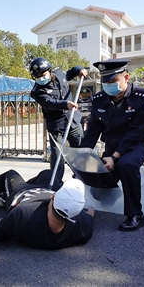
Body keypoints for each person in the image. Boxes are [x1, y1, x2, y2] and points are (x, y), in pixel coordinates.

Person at [80, 58, 144, 232]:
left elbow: (136, 132)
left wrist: (115, 157)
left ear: (126, 77)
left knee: (126, 165)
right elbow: (93, 130)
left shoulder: (143, 97)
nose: (108, 85)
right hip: (112, 147)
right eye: (104, 82)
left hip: (137, 144)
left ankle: (136, 215)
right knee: (98, 184)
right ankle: (107, 197)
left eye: (112, 81)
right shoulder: (99, 99)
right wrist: (81, 156)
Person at [0, 169, 95, 250]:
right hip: (44, 189)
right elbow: (90, 214)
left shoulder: (24, 214)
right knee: (48, 173)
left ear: (53, 197)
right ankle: (9, 191)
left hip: (23, 193)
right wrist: (90, 213)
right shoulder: (82, 227)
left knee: (11, 174)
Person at [29, 57, 88, 189]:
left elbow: (73, 71)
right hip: (56, 125)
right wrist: (65, 104)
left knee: (79, 151)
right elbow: (49, 103)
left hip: (73, 120)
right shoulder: (37, 91)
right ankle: (56, 183)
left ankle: (81, 178)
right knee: (57, 155)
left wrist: (80, 70)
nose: (40, 78)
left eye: (42, 74)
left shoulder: (60, 74)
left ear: (49, 71)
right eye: (37, 76)